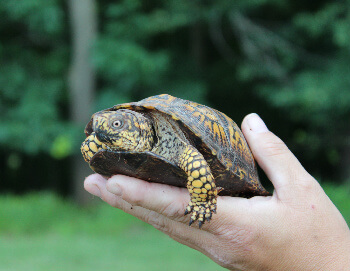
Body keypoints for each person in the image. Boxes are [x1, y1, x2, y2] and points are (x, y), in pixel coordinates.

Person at [84, 113, 350, 270]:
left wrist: (202, 200)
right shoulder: (104, 137)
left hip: (219, 171)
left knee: (192, 164)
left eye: (117, 124)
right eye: (101, 124)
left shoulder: (177, 143)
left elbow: (195, 162)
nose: (104, 128)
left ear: (142, 125)